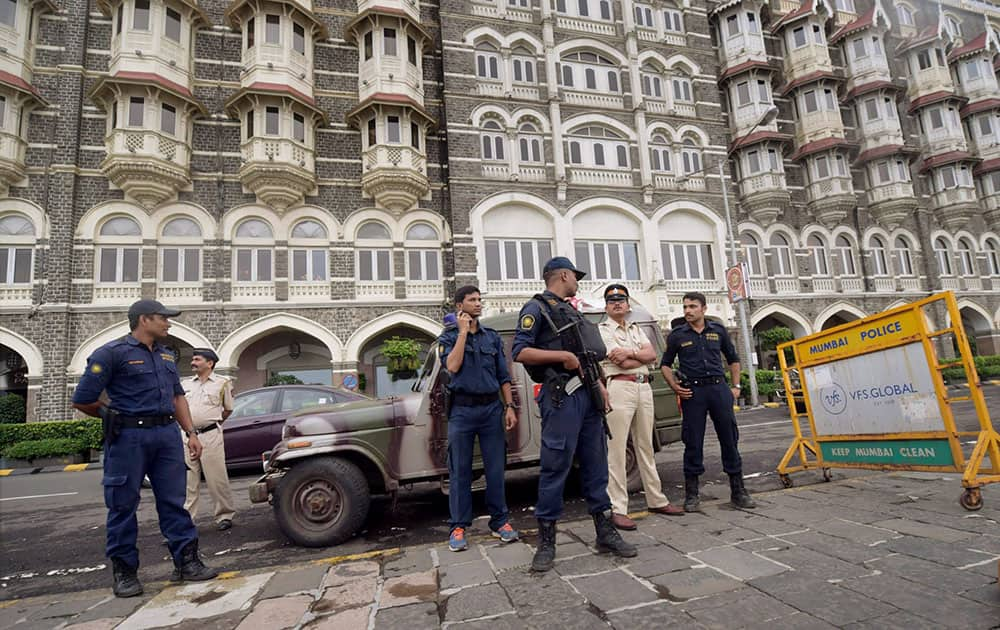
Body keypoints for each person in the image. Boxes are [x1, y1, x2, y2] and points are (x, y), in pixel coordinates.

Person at [72, 300, 218, 598]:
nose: (168, 323)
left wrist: (191, 433)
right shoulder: (110, 353)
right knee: (123, 505)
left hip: (165, 434)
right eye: (163, 318)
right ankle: (125, 573)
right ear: (143, 320)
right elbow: (83, 398)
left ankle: (187, 563)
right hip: (128, 437)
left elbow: (178, 398)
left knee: (174, 501)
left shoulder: (166, 356)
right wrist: (109, 416)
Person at [513, 257, 636, 573]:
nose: (577, 282)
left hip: (588, 395)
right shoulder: (536, 309)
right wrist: (561, 356)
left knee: (596, 465)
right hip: (561, 397)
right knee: (555, 466)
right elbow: (520, 351)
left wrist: (598, 384)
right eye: (575, 277)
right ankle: (547, 541)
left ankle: (604, 531)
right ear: (563, 275)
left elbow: (584, 356)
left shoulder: (570, 309)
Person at [437, 286, 520, 551]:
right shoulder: (448, 337)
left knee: (495, 469)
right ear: (459, 305)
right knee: (459, 470)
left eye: (479, 299)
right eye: (472, 300)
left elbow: (503, 376)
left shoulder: (491, 338)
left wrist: (509, 406)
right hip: (462, 411)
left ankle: (500, 521)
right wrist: (462, 332)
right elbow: (452, 366)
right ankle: (459, 526)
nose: (478, 303)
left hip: (490, 410)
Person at [659, 292, 756, 512]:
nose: (688, 311)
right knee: (692, 441)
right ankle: (692, 495)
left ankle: (739, 491)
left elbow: (733, 359)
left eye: (692, 306)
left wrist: (736, 387)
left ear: (703, 308)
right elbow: (665, 364)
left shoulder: (718, 330)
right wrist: (675, 386)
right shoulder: (677, 335)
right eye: (685, 307)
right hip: (692, 392)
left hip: (718, 389)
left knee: (729, 438)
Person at [599, 285, 684, 530]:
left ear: (628, 305)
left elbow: (652, 355)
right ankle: (617, 508)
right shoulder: (602, 330)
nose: (617, 303)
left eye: (621, 299)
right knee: (616, 450)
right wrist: (638, 355)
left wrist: (631, 354)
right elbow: (617, 358)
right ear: (606, 306)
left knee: (645, 446)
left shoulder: (636, 328)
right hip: (619, 387)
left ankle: (656, 500)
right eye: (612, 300)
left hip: (643, 386)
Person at [182, 348, 236, 531]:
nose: (193, 362)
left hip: (210, 435)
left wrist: (212, 423)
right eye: (193, 359)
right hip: (188, 437)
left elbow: (228, 409)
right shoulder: (186, 384)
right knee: (189, 481)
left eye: (197, 359)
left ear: (210, 363)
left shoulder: (222, 383)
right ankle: (187, 519)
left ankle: (224, 515)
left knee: (216, 478)